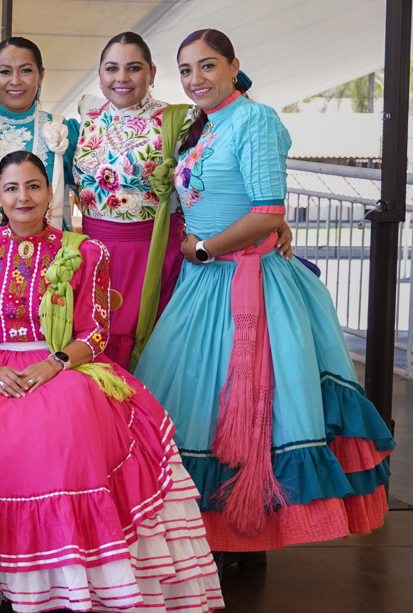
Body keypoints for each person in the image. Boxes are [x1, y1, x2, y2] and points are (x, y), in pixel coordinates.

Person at [0, 151, 223, 613]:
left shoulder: (86, 251)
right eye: (11, 188)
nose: (23, 197)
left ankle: (73, 580)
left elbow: (94, 332)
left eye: (33, 186)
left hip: (57, 363)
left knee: (66, 418)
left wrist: (53, 365)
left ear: (51, 193)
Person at [135, 29, 395, 560]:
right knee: (194, 400)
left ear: (234, 66)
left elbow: (267, 211)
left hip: (243, 280)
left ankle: (243, 532)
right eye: (186, 70)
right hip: (204, 283)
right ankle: (203, 537)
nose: (196, 78)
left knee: (250, 406)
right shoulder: (206, 125)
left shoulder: (255, 120)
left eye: (208, 65)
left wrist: (204, 248)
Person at [72, 32, 189, 368]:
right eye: (112, 68)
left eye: (133, 68)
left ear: (152, 73)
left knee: (141, 347)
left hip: (149, 253)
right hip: (91, 252)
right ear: (99, 74)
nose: (121, 77)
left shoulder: (178, 120)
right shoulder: (88, 112)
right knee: (89, 344)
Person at [0, 36, 79, 230]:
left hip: (49, 245)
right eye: (5, 72)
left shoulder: (63, 130)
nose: (15, 81)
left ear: (41, 75)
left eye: (26, 70)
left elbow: (90, 197)